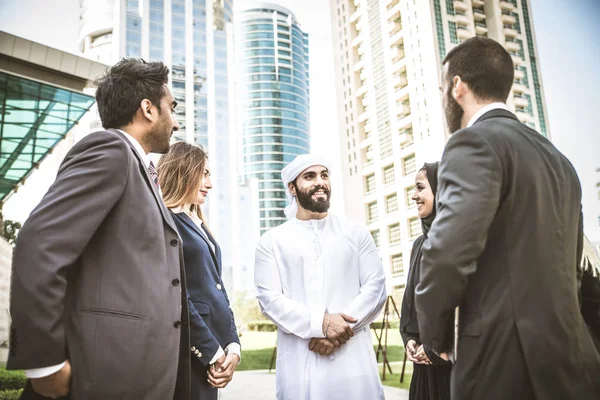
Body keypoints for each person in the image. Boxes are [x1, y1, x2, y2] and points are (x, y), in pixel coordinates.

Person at [414, 36, 600, 399]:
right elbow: (573, 269)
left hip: (504, 366)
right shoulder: (560, 162)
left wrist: (436, 337)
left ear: (457, 86)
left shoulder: (472, 143)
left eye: (441, 88)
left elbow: (447, 252)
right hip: (573, 361)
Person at [6, 59, 191, 400]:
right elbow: (39, 243)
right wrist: (43, 362)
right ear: (148, 109)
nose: (176, 123)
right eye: (172, 108)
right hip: (98, 377)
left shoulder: (138, 168)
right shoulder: (111, 150)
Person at [254, 154, 387, 400]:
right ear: (292, 188)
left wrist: (339, 330)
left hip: (354, 363)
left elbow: (375, 288)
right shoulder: (272, 241)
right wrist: (321, 324)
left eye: (324, 175)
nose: (320, 182)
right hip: (300, 364)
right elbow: (269, 300)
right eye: (310, 176)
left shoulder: (356, 234)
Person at [157, 142, 241, 400]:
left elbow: (218, 288)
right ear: (184, 172)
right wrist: (211, 351)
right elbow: (176, 294)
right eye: (203, 174)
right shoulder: (164, 222)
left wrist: (233, 345)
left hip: (214, 351)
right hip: (189, 351)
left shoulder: (198, 223)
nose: (210, 183)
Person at [400, 162, 451, 400]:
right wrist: (410, 339)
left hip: (455, 370)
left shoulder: (460, 241)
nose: (414, 196)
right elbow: (411, 302)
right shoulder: (419, 246)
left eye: (420, 188)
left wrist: (441, 350)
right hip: (423, 368)